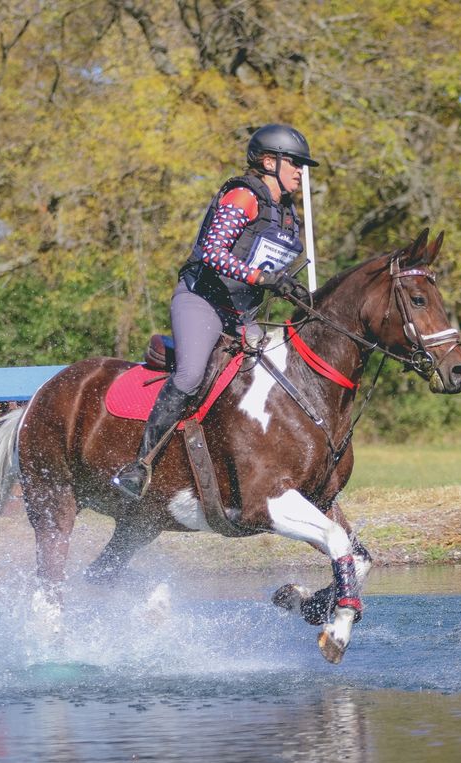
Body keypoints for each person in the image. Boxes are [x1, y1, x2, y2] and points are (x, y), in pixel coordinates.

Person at [112, 123, 317, 500]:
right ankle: (139, 466)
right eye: (295, 163)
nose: (300, 172)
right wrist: (263, 277)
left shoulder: (287, 215)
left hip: (240, 316)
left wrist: (291, 286)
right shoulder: (243, 197)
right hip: (202, 301)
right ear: (269, 161)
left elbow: (266, 263)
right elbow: (213, 253)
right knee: (190, 376)